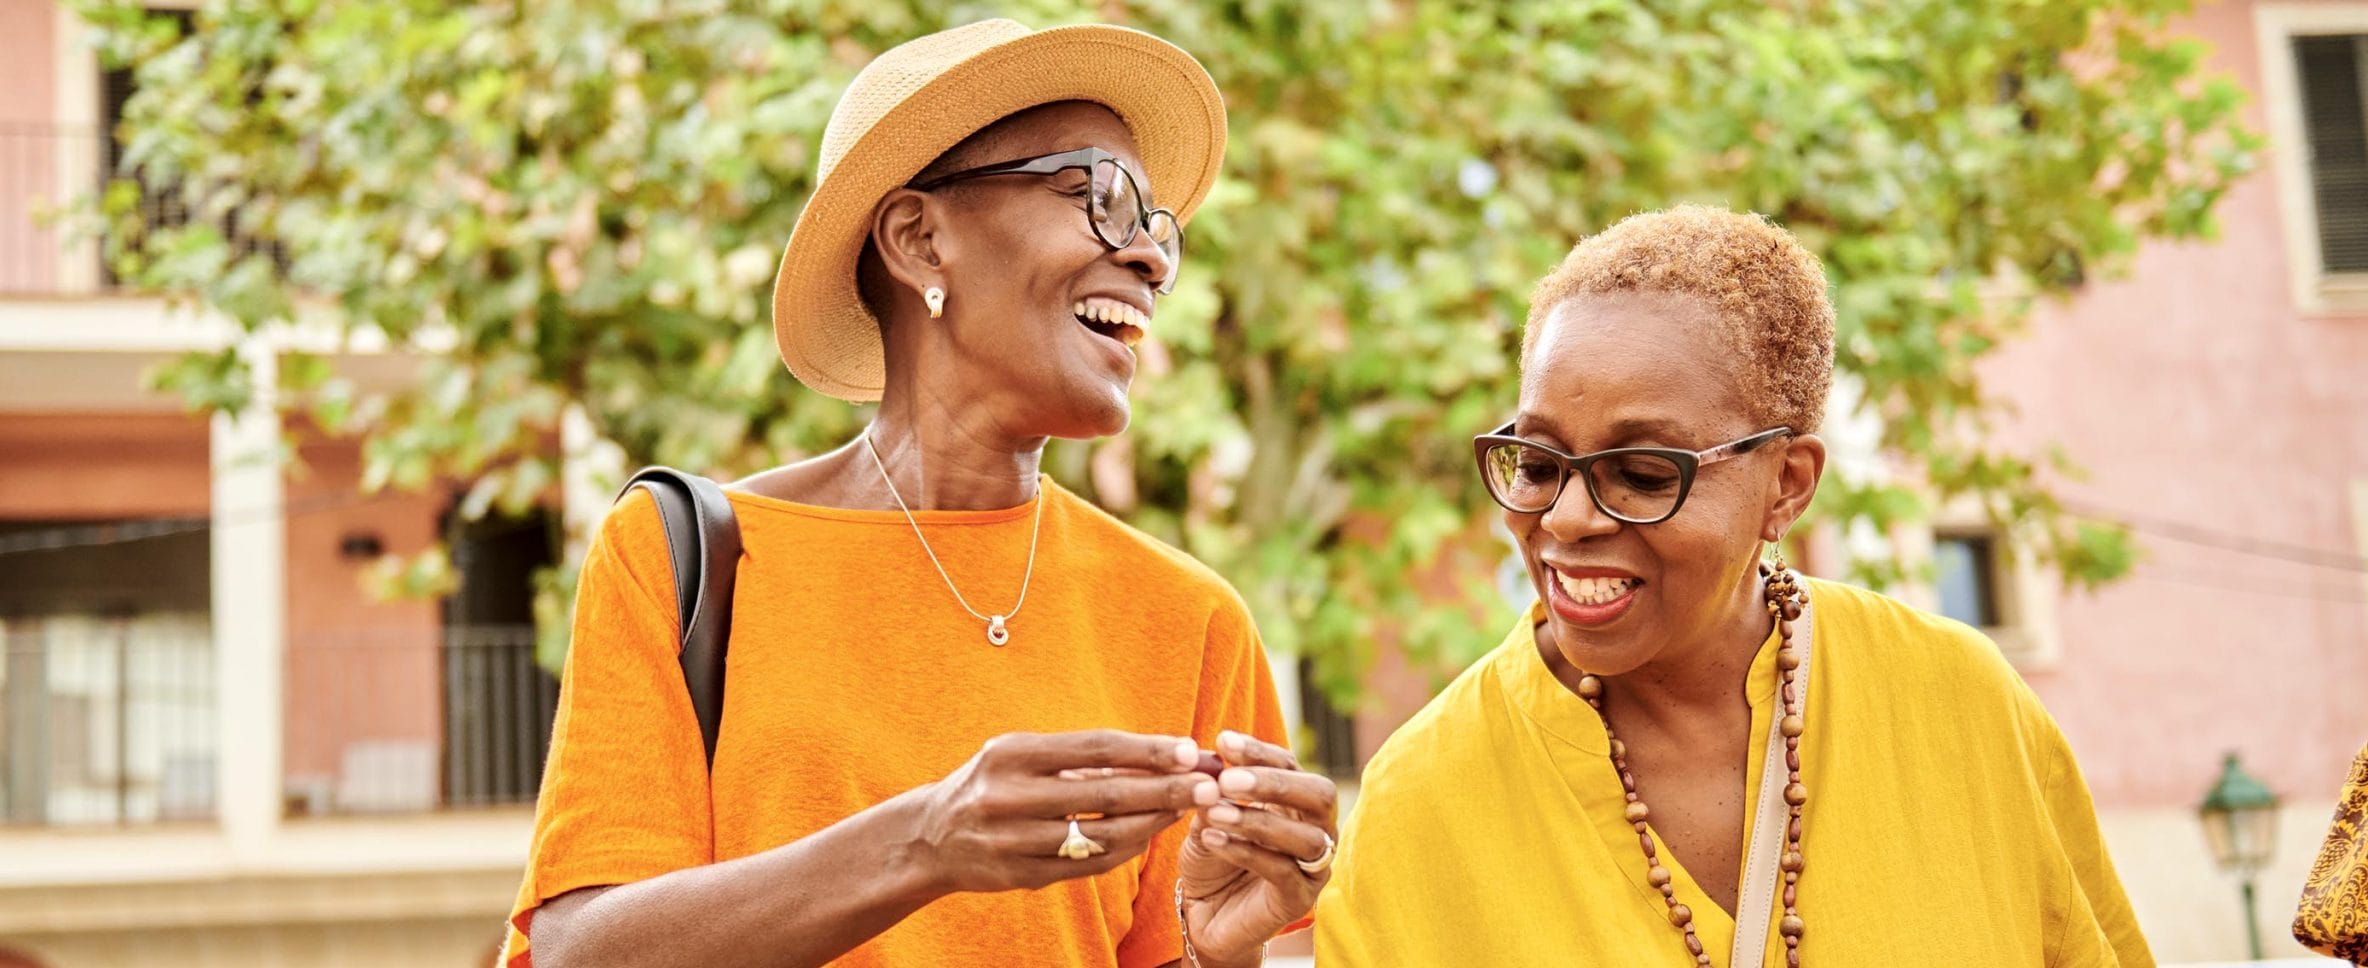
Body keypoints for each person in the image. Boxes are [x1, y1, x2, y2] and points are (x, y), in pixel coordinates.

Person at [504, 20, 1335, 968]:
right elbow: (581, 952)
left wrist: (1212, 950)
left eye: (1156, 227)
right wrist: (926, 841)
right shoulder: (683, 554)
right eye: (1100, 197)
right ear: (918, 238)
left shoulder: (1190, 620)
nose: (1147, 255)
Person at [1314, 207, 2152, 966]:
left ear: (1787, 485)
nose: (1565, 518)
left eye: (1641, 473)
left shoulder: (1961, 708)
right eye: (1536, 464)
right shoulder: (1418, 802)